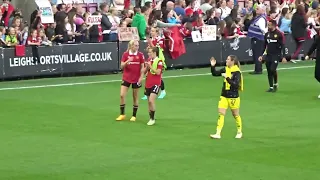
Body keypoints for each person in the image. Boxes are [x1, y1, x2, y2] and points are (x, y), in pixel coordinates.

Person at [209, 55, 244, 139]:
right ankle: (218, 133)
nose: (226, 60)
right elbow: (215, 73)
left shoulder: (237, 72)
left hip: (233, 96)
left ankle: (239, 131)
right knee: (221, 114)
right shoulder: (225, 69)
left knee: (235, 114)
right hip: (224, 95)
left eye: (228, 59)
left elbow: (235, 85)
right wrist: (213, 66)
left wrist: (227, 78)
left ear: (233, 61)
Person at [116, 40, 145, 122]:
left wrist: (141, 77)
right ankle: (122, 114)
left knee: (135, 97)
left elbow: (142, 68)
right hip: (126, 78)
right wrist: (127, 61)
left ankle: (134, 115)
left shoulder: (140, 55)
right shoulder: (125, 54)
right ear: (131, 46)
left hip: (136, 78)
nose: (137, 47)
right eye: (135, 45)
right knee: (122, 95)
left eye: (138, 45)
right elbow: (121, 66)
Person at [258, 20, 284, 92]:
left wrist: (283, 56)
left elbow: (282, 46)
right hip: (268, 55)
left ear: (274, 25)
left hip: (276, 55)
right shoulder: (267, 34)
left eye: (270, 25)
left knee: (273, 69)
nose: (268, 26)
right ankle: (271, 87)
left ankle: (275, 83)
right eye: (268, 25)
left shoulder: (279, 34)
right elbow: (264, 45)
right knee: (269, 71)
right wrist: (261, 55)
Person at [142, 27, 167, 100]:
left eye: (153, 31)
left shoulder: (160, 39)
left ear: (157, 32)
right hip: (151, 58)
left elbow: (157, 50)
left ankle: (163, 91)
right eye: (151, 31)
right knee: (148, 74)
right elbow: (149, 49)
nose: (151, 32)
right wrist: (148, 48)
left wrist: (150, 43)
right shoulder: (151, 40)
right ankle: (147, 93)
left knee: (159, 76)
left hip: (158, 58)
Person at [144, 47, 164, 126]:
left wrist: (151, 66)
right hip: (148, 83)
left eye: (150, 53)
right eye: (148, 53)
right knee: (149, 102)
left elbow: (158, 72)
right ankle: (151, 117)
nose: (149, 54)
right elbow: (145, 71)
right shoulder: (149, 61)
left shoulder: (159, 61)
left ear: (154, 53)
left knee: (151, 101)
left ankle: (152, 119)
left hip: (156, 83)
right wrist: (146, 67)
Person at [247, 4, 267, 75]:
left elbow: (263, 29)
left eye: (258, 9)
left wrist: (266, 35)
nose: (256, 10)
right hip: (256, 38)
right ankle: (257, 69)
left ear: (262, 10)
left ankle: (258, 69)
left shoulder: (261, 19)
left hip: (258, 39)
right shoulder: (258, 18)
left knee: (257, 54)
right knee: (256, 54)